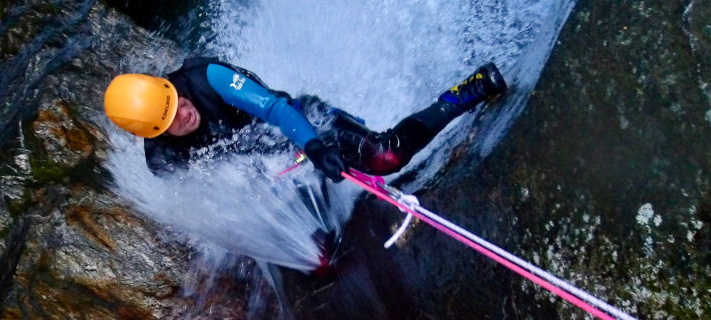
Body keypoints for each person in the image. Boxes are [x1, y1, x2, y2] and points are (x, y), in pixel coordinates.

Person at [103, 57, 507, 183]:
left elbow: (275, 110)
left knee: (385, 159)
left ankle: (464, 93)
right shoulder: (162, 160)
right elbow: (211, 199)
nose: (184, 112)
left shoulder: (207, 79)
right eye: (172, 119)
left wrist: (313, 146)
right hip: (267, 167)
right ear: (155, 133)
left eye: (177, 101)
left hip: (299, 123)